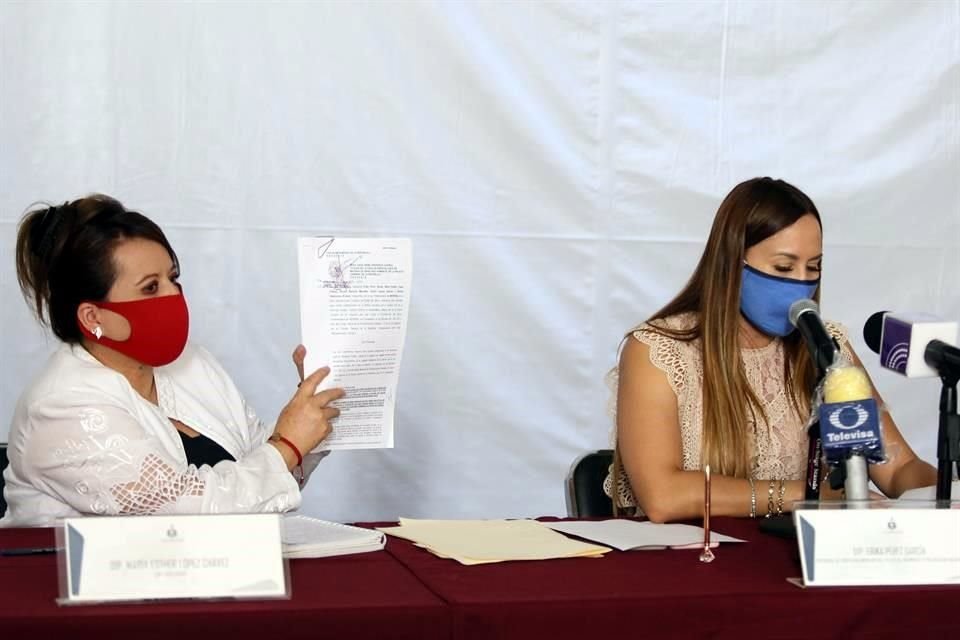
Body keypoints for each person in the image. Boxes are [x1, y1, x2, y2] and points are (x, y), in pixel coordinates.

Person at [605, 177, 937, 523]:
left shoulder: (827, 350)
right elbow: (664, 497)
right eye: (783, 267)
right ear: (733, 263)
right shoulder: (659, 351)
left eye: (813, 268)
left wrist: (944, 494)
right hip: (688, 564)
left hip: (793, 561)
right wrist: (810, 497)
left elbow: (898, 467)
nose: (800, 284)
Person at [1, 194, 343, 526]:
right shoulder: (61, 406)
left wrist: (314, 407)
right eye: (150, 287)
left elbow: (263, 471)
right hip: (73, 582)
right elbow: (180, 511)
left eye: (173, 278)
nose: (173, 295)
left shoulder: (192, 364)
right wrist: (288, 445)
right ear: (93, 317)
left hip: (212, 574)